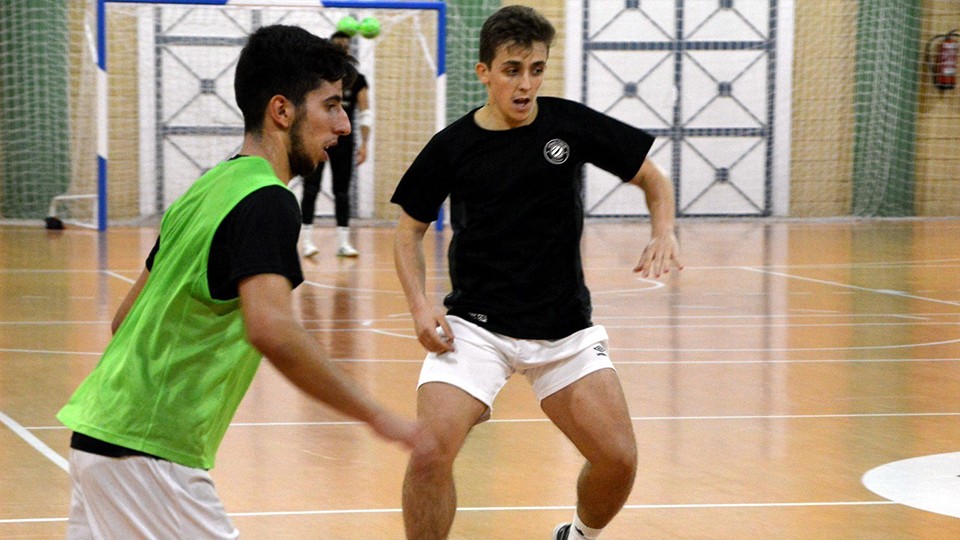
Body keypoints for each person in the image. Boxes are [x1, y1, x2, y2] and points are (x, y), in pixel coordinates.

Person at [57, 25, 428, 539]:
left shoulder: (209, 186)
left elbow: (126, 318)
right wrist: (377, 416)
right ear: (282, 111)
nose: (343, 125)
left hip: (102, 436)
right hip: (149, 455)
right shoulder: (270, 203)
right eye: (331, 106)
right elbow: (272, 329)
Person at [390, 5, 683, 540]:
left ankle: (578, 536)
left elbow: (653, 178)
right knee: (429, 453)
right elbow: (406, 231)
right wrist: (419, 303)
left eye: (537, 69)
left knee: (618, 460)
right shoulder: (452, 146)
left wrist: (663, 230)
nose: (526, 84)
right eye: (512, 70)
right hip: (475, 328)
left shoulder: (568, 124)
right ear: (484, 72)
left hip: (563, 329)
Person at [300, 30, 372, 258]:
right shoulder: (317, 80)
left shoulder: (358, 80)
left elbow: (366, 113)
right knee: (311, 188)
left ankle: (343, 242)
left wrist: (365, 144)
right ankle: (307, 241)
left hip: (344, 142)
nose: (343, 48)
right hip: (319, 139)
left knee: (341, 192)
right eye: (339, 44)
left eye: (346, 45)